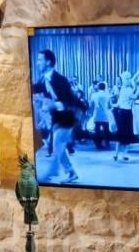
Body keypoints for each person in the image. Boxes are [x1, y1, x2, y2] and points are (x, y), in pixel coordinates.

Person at [31, 49, 80, 184]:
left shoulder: (60, 80)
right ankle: (71, 172)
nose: (37, 63)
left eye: (40, 60)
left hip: (67, 118)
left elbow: (72, 101)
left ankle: (51, 172)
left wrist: (54, 104)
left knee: (57, 145)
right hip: (57, 119)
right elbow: (34, 88)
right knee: (58, 146)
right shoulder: (44, 79)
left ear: (48, 62)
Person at [112, 71, 137, 162]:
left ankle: (117, 154)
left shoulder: (123, 88)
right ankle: (123, 154)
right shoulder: (128, 89)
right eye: (127, 78)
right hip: (127, 113)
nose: (129, 80)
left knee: (122, 134)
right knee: (127, 134)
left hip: (122, 113)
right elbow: (134, 97)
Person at [90, 81, 112, 150]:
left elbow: (91, 105)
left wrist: (91, 113)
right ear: (105, 88)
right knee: (106, 130)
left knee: (97, 130)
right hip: (105, 115)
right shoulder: (108, 95)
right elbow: (109, 106)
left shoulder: (94, 95)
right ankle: (107, 143)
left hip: (97, 114)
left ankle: (98, 144)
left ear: (98, 87)